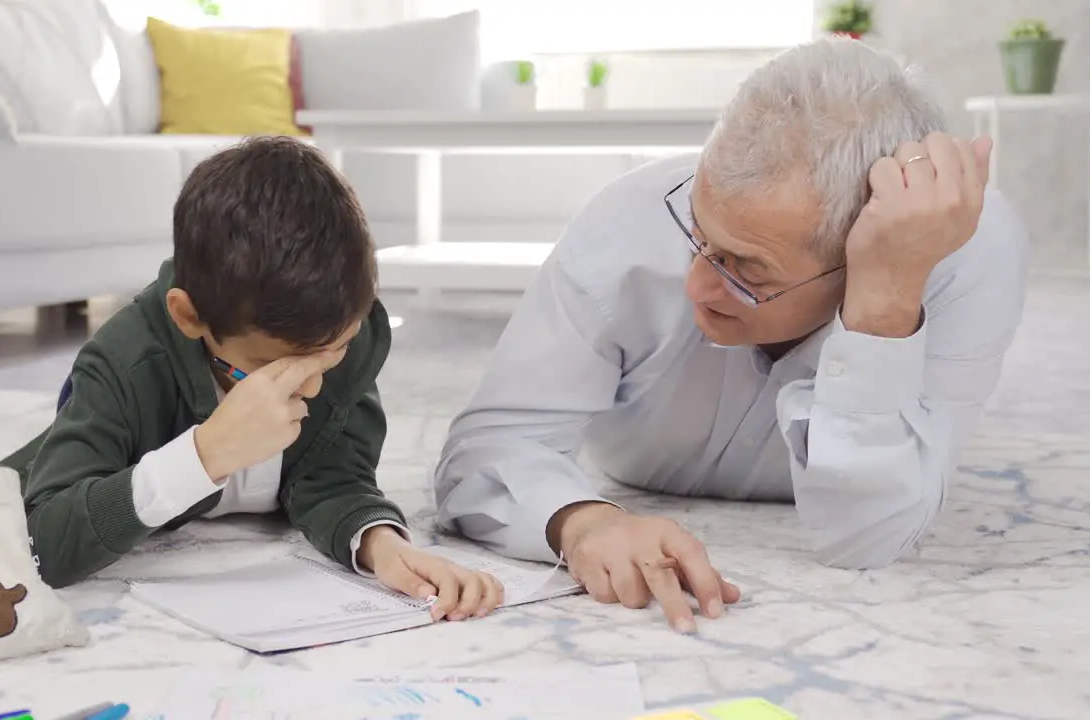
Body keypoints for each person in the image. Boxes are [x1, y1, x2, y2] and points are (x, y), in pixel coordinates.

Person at [433, 38, 1029, 633]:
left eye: (745, 268)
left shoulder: (964, 253)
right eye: (697, 233)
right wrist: (584, 522)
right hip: (634, 472)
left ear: (860, 250)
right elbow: (485, 452)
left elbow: (870, 538)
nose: (696, 285)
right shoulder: (627, 220)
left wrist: (884, 302)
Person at [2, 137, 502, 623]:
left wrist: (381, 543)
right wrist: (205, 455)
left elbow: (334, 478)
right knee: (13, 485)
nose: (309, 389)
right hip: (99, 434)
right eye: (277, 370)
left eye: (329, 359)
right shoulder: (124, 362)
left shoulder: (340, 337)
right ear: (190, 317)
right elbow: (44, 541)